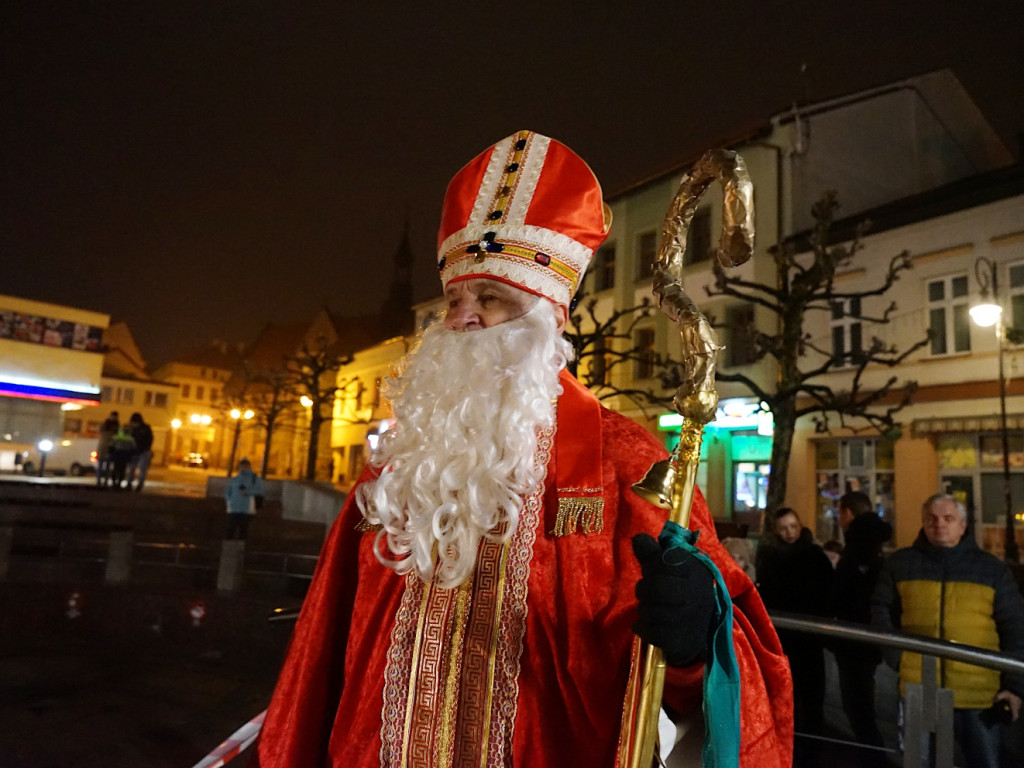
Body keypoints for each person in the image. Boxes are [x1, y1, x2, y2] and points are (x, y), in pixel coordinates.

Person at [252, 130, 793, 767]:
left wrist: (697, 640)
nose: (462, 318)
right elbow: (320, 657)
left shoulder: (628, 465)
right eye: (455, 299)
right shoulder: (400, 470)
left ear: (547, 320)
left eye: (491, 298)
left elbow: (735, 679)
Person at [872, 493, 1024, 768]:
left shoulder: (991, 569)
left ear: (962, 525)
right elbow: (881, 611)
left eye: (948, 518)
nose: (939, 524)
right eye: (931, 518)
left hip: (979, 694)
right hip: (919, 688)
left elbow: (1015, 627)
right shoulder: (900, 564)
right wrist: (898, 658)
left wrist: (1015, 687)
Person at [756, 506, 834, 741]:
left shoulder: (814, 556)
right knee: (785, 696)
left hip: (809, 638)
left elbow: (827, 593)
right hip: (783, 638)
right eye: (783, 528)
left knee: (811, 698)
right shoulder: (770, 558)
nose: (789, 533)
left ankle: (811, 746)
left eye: (793, 527)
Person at [830, 491, 892, 763]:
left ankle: (874, 759)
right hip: (864, 641)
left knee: (858, 706)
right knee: (860, 704)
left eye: (840, 512)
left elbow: (846, 592)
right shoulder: (873, 546)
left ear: (847, 513)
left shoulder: (857, 548)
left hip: (855, 640)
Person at [224, 458, 264, 540]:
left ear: (249, 467)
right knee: (231, 530)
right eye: (241, 466)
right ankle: (230, 548)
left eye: (245, 466)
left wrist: (247, 492)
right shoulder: (235, 479)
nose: (242, 468)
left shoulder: (254, 478)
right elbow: (228, 491)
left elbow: (260, 491)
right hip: (234, 508)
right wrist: (229, 501)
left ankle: (240, 549)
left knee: (243, 530)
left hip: (246, 509)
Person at [125, 412, 154, 491]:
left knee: (140, 469)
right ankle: (131, 484)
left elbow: (149, 439)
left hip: (142, 451)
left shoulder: (143, 429)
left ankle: (138, 485)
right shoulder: (135, 429)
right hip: (136, 451)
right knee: (133, 469)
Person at [108, 421, 136, 490]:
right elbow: (133, 447)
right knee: (121, 470)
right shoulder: (130, 438)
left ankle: (115, 483)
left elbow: (111, 446)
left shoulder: (117, 436)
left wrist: (111, 454)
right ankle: (118, 483)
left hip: (118, 454)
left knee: (117, 469)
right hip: (124, 455)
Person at [95, 411, 119, 486]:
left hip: (110, 447)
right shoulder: (106, 424)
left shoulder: (116, 426)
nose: (114, 418)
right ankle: (99, 481)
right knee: (101, 465)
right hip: (104, 447)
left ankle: (104, 481)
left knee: (107, 466)